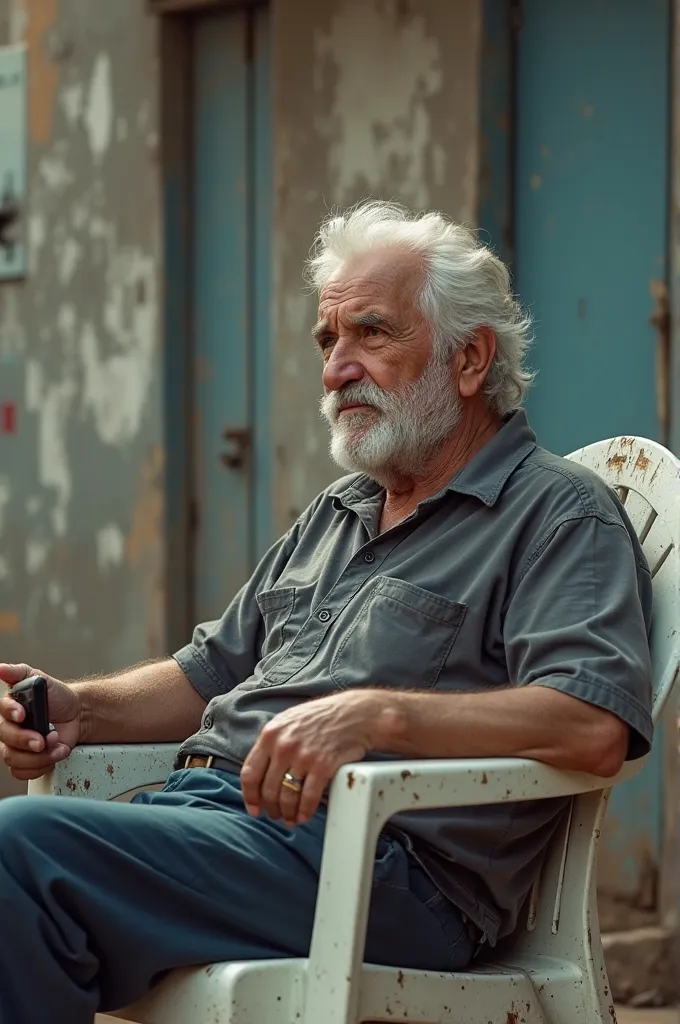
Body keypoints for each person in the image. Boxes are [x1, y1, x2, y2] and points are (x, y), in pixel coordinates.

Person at [0, 202, 652, 1023]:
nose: (337, 368)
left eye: (371, 335)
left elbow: (592, 725)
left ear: (470, 358)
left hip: (379, 870)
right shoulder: (341, 511)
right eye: (327, 341)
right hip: (215, 827)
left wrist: (375, 716)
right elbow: (212, 672)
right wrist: (80, 707)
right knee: (27, 897)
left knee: (19, 853)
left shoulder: (556, 514)